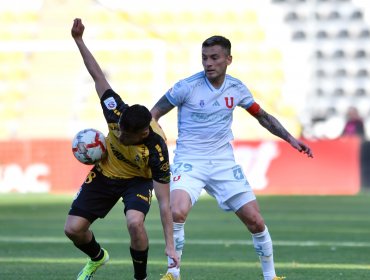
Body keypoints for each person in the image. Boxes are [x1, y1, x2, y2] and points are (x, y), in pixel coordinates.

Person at [151, 35, 313, 280]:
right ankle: (173, 273)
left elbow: (263, 116)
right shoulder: (186, 86)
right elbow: (153, 115)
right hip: (189, 161)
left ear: (228, 59)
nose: (208, 63)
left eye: (214, 58)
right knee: (177, 211)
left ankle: (271, 277)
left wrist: (290, 139)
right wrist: (159, 140)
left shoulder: (237, 89)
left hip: (224, 163)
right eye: (204, 58)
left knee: (256, 221)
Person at [64, 18, 179, 280]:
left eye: (128, 136)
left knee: (135, 223)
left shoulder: (157, 150)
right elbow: (97, 76)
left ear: (144, 133)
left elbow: (164, 202)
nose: (120, 137)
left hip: (136, 182)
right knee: (73, 229)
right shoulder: (116, 111)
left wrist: (170, 245)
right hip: (106, 173)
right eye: (120, 132)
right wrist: (79, 40)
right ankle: (97, 257)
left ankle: (140, 278)